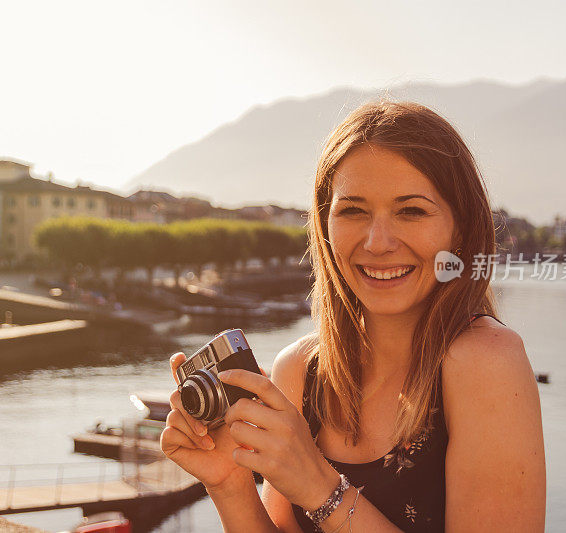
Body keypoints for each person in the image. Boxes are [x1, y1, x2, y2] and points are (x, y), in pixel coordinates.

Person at [161, 100, 546, 532]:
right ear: (325, 226)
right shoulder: (300, 372)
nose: (378, 242)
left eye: (411, 211)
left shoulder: (487, 362)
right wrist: (230, 483)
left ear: (461, 228)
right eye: (353, 211)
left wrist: (320, 488)